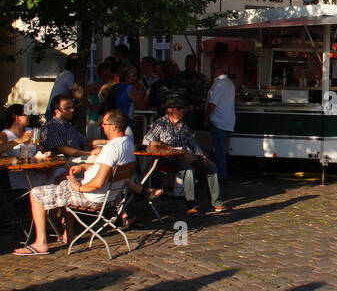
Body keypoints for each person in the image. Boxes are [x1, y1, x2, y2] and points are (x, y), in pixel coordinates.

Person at [13, 110, 135, 257]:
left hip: (92, 196)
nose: (102, 126)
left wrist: (79, 187)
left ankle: (41, 243)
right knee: (64, 180)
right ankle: (69, 234)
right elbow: (106, 171)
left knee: (36, 193)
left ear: (113, 127)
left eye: (104, 124)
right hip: (110, 195)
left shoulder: (111, 148)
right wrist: (84, 167)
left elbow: (97, 182)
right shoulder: (127, 143)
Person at [144, 97, 225, 214]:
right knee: (187, 170)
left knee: (210, 167)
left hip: (184, 155)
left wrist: (203, 156)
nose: (182, 110)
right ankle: (191, 205)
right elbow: (146, 139)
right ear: (169, 110)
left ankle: (215, 203)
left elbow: (192, 143)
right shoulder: (161, 123)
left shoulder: (182, 125)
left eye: (182, 108)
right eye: (179, 108)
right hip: (167, 158)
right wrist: (157, 143)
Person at [206, 60, 236, 186]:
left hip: (219, 120)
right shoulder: (230, 83)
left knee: (218, 150)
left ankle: (220, 176)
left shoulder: (219, 84)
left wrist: (206, 116)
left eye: (213, 69)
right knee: (217, 149)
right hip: (228, 120)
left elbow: (213, 103)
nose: (211, 71)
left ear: (218, 70)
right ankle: (210, 172)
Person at [38, 95, 87, 160]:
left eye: (72, 107)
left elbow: (85, 141)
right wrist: (89, 153)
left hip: (78, 158)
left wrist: (104, 142)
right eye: (67, 108)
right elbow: (61, 149)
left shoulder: (67, 125)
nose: (72, 110)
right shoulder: (50, 127)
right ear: (57, 111)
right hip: (63, 162)